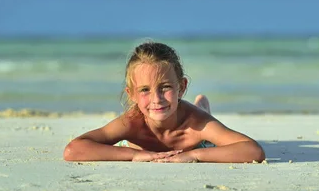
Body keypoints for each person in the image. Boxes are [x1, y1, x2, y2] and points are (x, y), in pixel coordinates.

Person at [63, 41, 266, 163]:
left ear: (182, 87)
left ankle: (202, 107)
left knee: (204, 117)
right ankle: (201, 104)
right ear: (131, 94)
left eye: (165, 87)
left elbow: (253, 150)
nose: (156, 99)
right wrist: (132, 155)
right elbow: (74, 149)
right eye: (144, 90)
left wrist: (195, 155)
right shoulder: (132, 123)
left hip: (197, 135)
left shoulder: (196, 124)